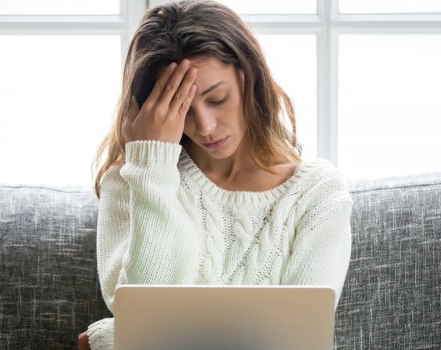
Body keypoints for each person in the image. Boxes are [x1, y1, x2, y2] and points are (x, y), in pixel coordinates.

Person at [81, 0, 353, 349]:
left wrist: (111, 338)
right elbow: (147, 317)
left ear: (248, 77)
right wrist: (152, 165)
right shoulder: (131, 180)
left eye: (217, 98)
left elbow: (301, 339)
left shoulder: (318, 193)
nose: (205, 127)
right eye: (182, 110)